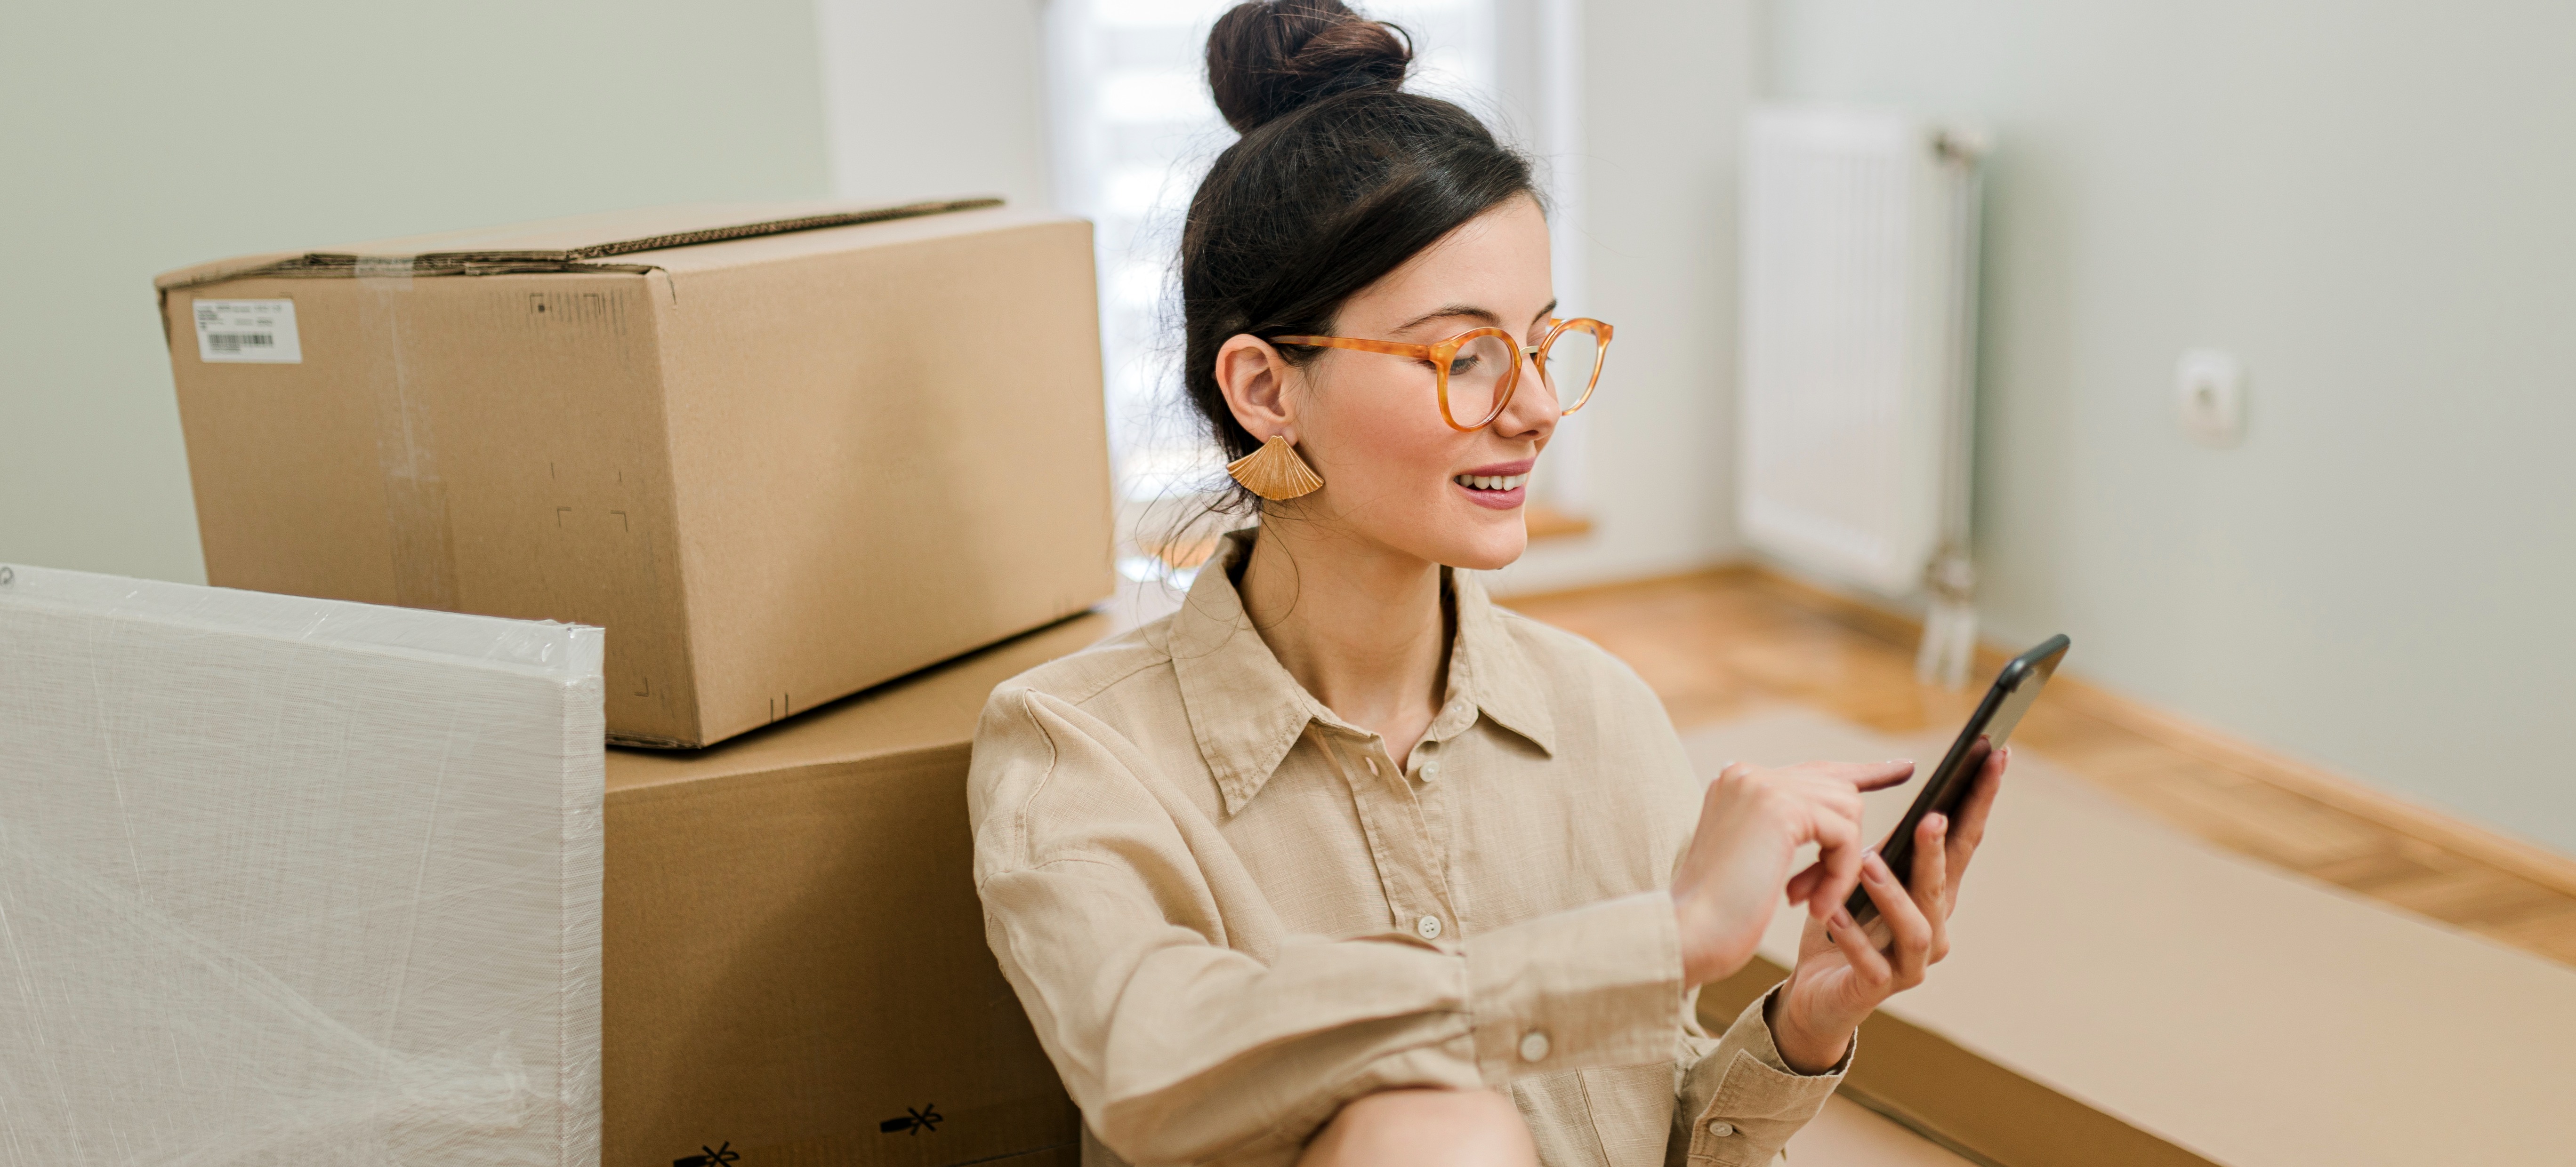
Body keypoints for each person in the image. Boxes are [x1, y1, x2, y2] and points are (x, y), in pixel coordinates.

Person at [967, 3, 2005, 1164]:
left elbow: (1638, 1126)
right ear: (1266, 389)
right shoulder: (1075, 749)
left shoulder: (1599, 716)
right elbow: (1149, 1064)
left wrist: (1805, 1021)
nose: (1536, 409)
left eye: (1544, 344)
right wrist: (1661, 936)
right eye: (1463, 357)